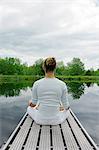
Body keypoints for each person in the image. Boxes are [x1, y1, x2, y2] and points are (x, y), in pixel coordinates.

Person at [27, 57, 70, 125]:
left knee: (29, 108)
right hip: (56, 121)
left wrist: (30, 103)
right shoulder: (62, 84)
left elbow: (33, 104)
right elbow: (66, 106)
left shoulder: (37, 83)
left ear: (44, 68)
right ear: (55, 68)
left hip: (40, 120)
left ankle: (39, 108)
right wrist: (63, 108)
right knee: (68, 111)